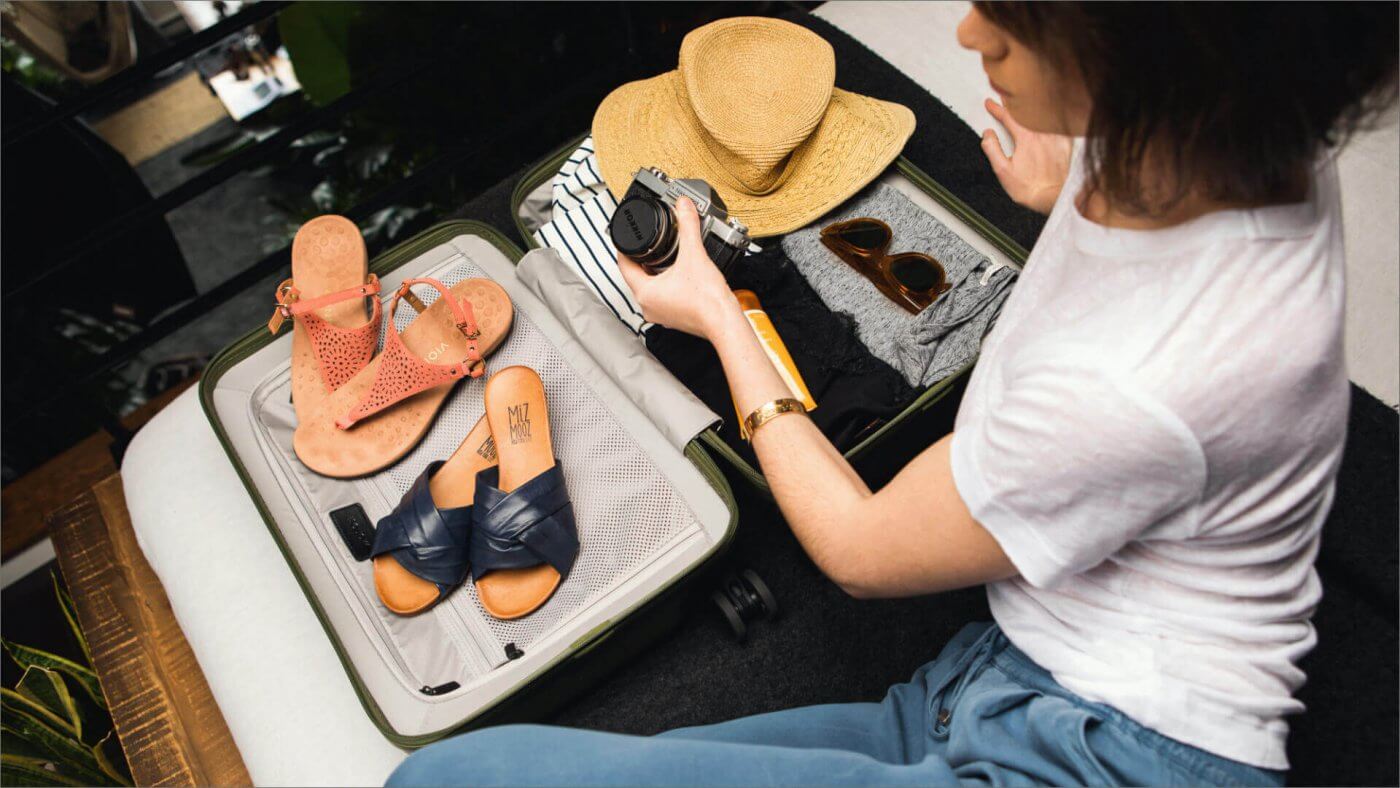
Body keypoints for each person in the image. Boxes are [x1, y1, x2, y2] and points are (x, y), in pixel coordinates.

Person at [389, 3, 1397, 785]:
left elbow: (861, 549)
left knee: (445, 777)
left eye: (1016, 21)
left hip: (1100, 759)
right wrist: (1071, 179)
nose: (970, 35)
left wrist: (720, 316)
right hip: (992, 675)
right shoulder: (1245, 137)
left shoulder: (1140, 377)